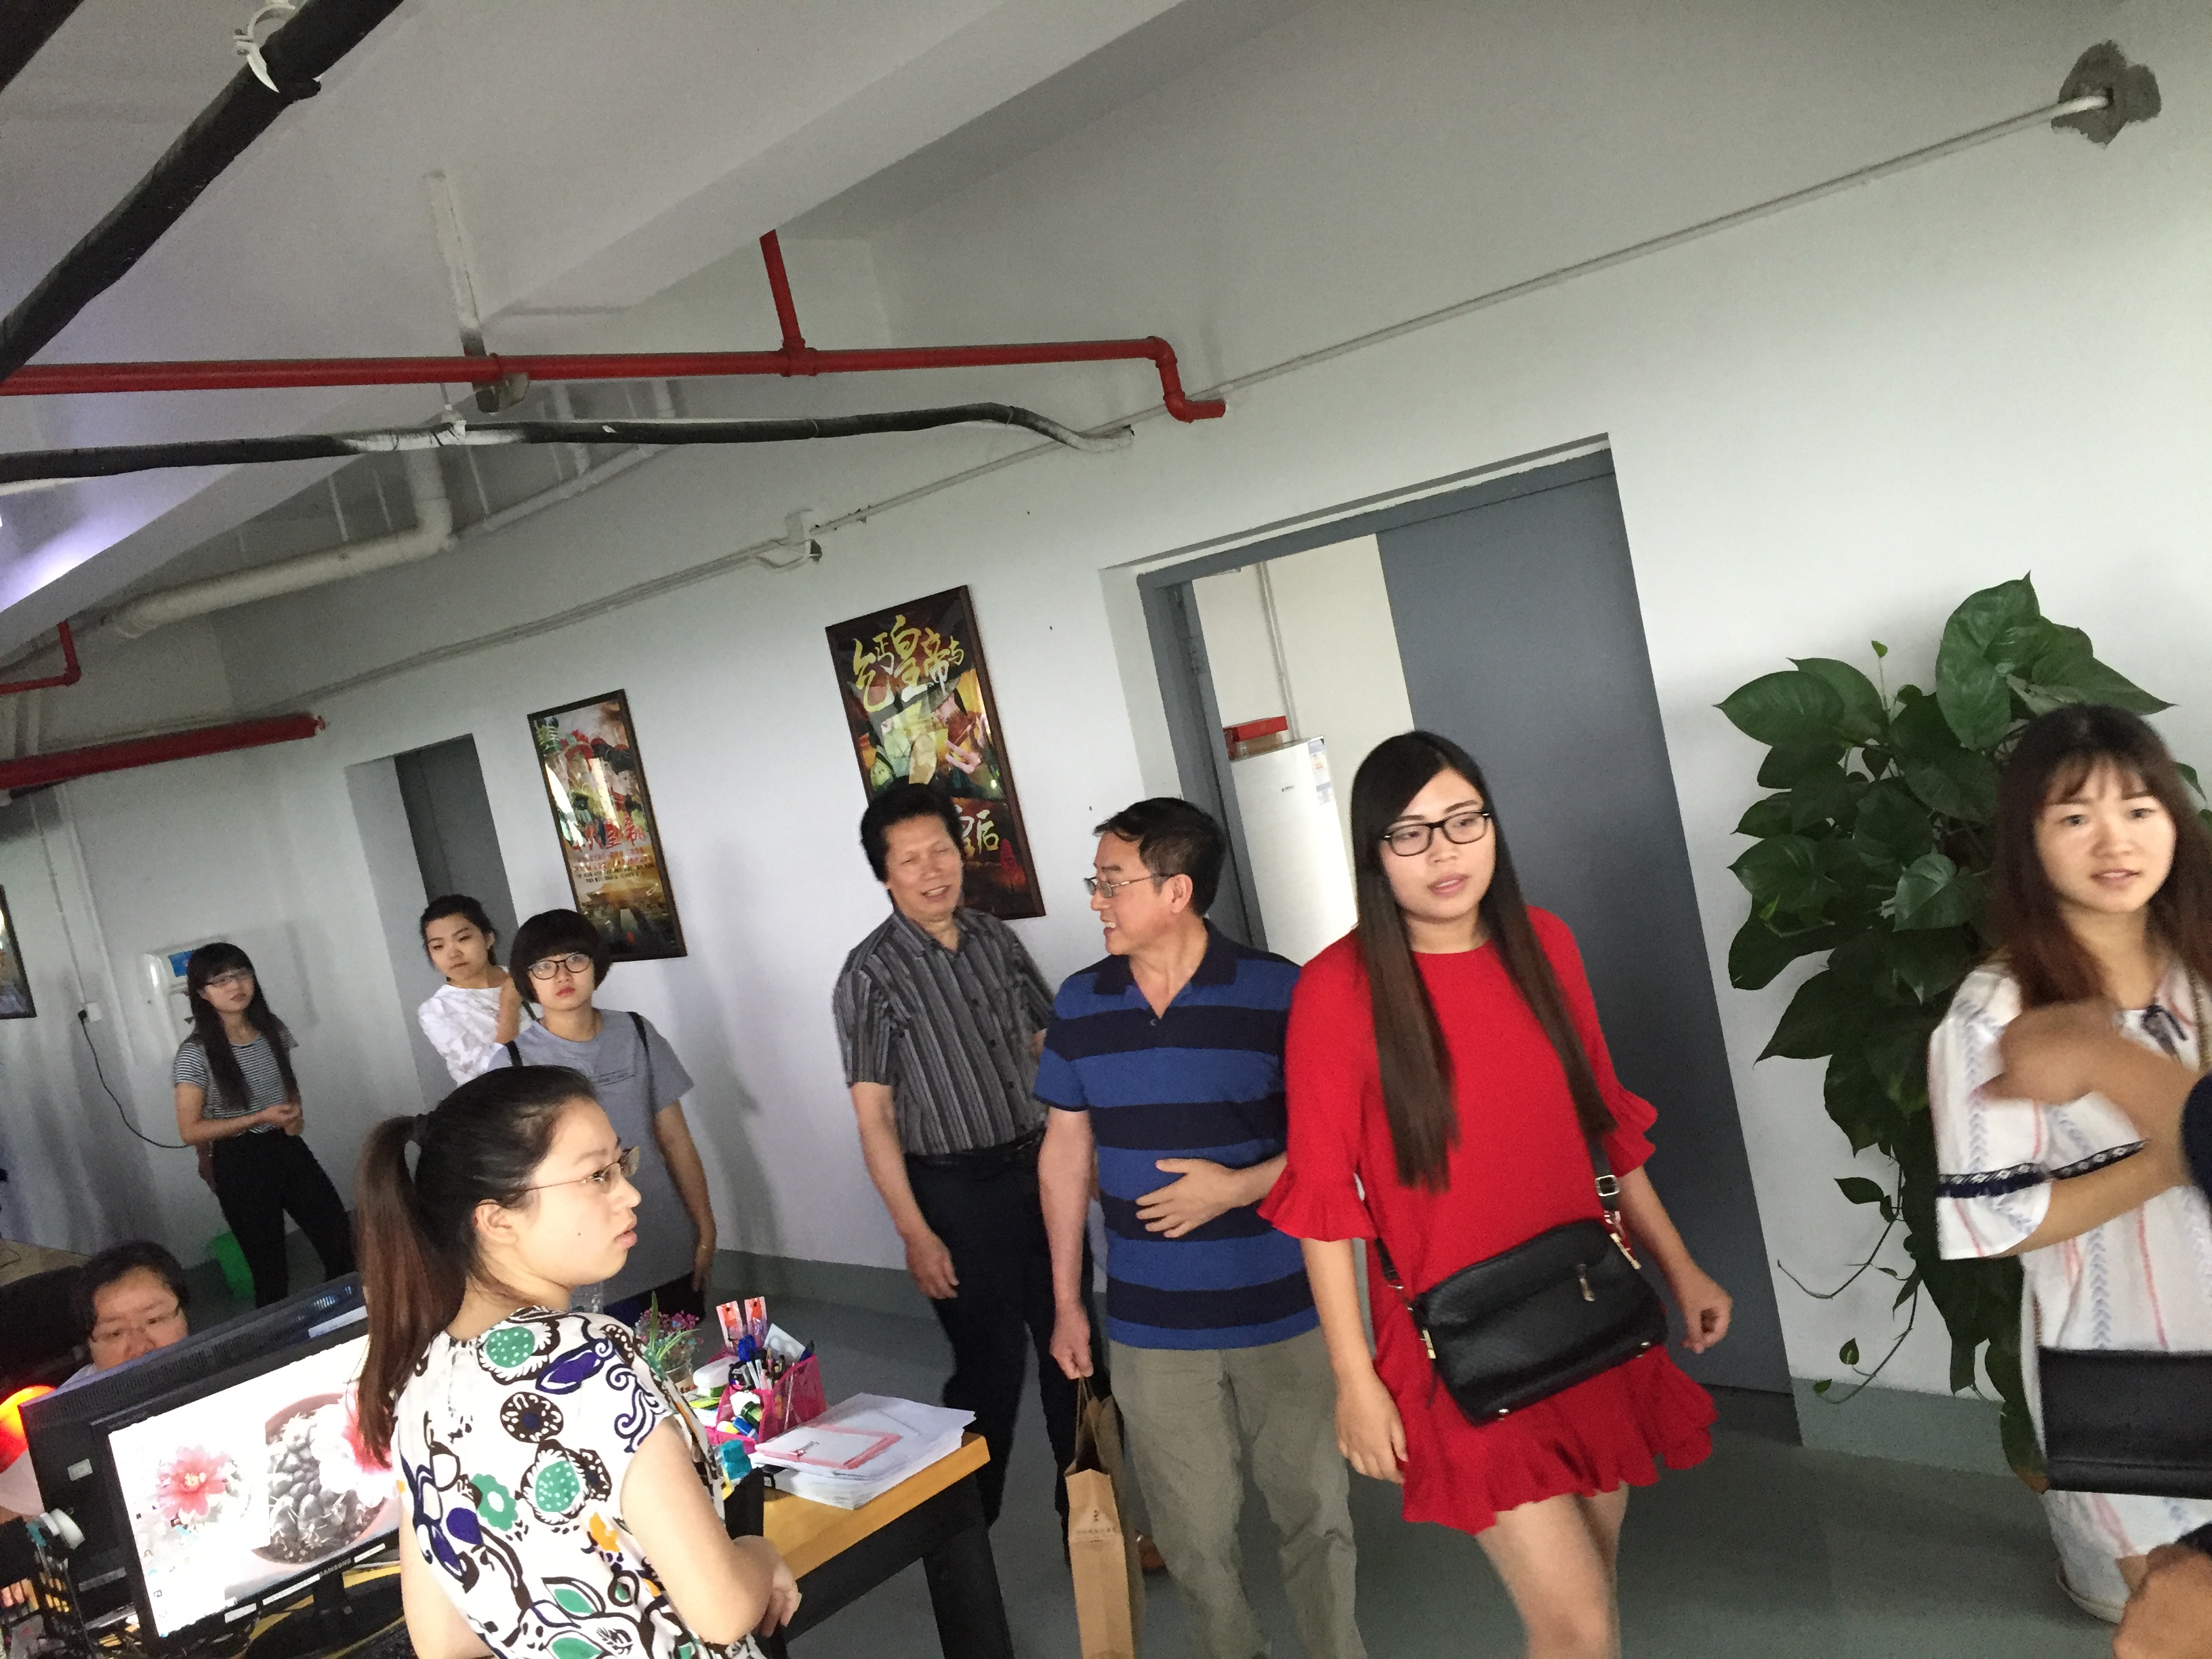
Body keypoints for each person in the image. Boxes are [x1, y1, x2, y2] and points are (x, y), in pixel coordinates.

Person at [1265, 733, 1728, 1659]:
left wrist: (1681, 1266)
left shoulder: (1544, 944)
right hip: (1453, 1341)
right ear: (1374, 854)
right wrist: (1355, 1380)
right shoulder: (1336, 990)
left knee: (1587, 1604)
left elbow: (1605, 1126)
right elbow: (1322, 1207)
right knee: (1579, 1623)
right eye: (1410, 834)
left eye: (1463, 821)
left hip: (1581, 1306)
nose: (1444, 852)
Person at [1038, 798, 1364, 1659]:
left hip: (1283, 1308)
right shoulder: (1081, 1003)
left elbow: (1339, 1142)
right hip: (1150, 1324)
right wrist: (1068, 1302)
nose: (1097, 900)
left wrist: (1236, 1188)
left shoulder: (1279, 991)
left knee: (1315, 1515)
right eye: (1097, 882)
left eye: (1112, 882)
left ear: (1176, 890)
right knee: (1192, 1535)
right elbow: (1064, 1156)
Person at [354, 1065, 797, 1659]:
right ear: (497, 1219)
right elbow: (722, 1609)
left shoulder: (419, 1384)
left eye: (621, 1164)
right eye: (596, 1175)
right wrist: (760, 1555)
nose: (630, 1193)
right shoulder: (589, 1357)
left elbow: (443, 1642)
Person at [1928, 704, 2212, 1621]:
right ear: (2029, 840)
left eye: (2139, 809)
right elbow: (1999, 1221)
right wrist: (2176, 1155)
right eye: (2075, 816)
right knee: (2181, 1616)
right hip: (2126, 1364)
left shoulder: (2201, 968)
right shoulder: (1995, 1015)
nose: (2114, 841)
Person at [832, 783, 1101, 1528]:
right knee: (990, 1370)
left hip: (1038, 1171)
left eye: (942, 850)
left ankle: (1094, 1525)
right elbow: (875, 1118)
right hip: (954, 1196)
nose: (933, 870)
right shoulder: (869, 974)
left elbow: (1049, 1044)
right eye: (910, 859)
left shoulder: (995, 940)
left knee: (1079, 1353)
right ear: (885, 875)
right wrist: (915, 1232)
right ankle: (967, 1536)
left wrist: (1087, 1154)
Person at [488, 911, 716, 1321]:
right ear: (526, 979)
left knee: (679, 1355)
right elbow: (513, 1181)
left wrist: (705, 1228)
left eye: (575, 959)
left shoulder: (637, 1034)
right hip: (579, 1256)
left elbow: (675, 1139)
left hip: (662, 1235)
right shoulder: (513, 1064)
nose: (562, 975)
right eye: (543, 966)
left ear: (597, 964)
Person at [1, 1241, 194, 1604]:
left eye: (154, 1320)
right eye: (114, 1333)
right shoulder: (66, 1419)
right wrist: (16, 1558)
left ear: (185, 1314)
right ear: (89, 1346)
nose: (140, 1346)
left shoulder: (237, 1369)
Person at [172, 944, 354, 1307]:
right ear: (202, 993)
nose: (235, 985)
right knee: (270, 1272)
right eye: (220, 980)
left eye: (241, 974)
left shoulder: (272, 1028)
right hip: (239, 1162)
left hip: (286, 1148)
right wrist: (257, 1118)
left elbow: (285, 1081)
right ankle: (284, 1337)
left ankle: (346, 1318)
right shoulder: (194, 1053)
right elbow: (190, 1130)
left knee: (340, 1243)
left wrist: (294, 1112)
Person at [417, 895, 529, 1086]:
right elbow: (490, 1070)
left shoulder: (527, 977)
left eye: (463, 938)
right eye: (438, 946)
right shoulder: (438, 1010)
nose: (453, 953)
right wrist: (510, 1005)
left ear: (488, 938)